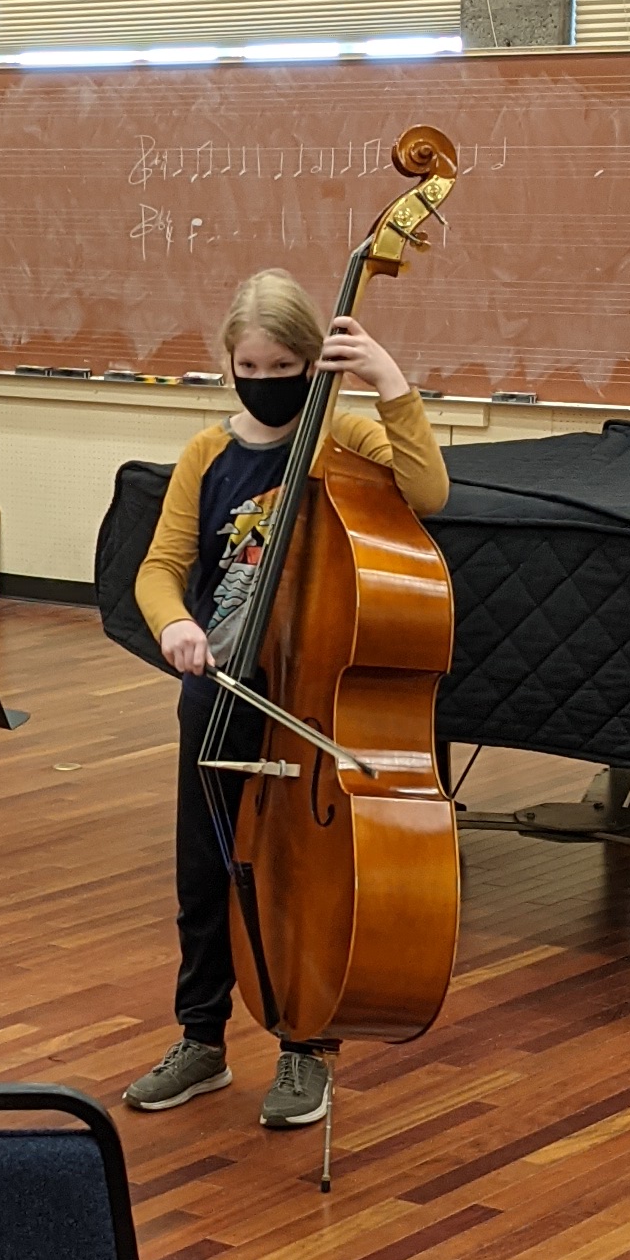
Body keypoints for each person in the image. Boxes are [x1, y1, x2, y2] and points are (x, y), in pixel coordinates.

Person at [124, 267, 450, 1132]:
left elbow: (429, 492)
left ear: (312, 363)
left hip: (310, 696)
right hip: (224, 687)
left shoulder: (345, 441)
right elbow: (160, 568)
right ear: (229, 363)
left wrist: (389, 382)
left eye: (283, 367)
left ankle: (306, 1046)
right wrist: (174, 625)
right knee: (205, 872)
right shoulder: (207, 454)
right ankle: (201, 1039)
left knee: (302, 877)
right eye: (250, 367)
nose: (265, 381)